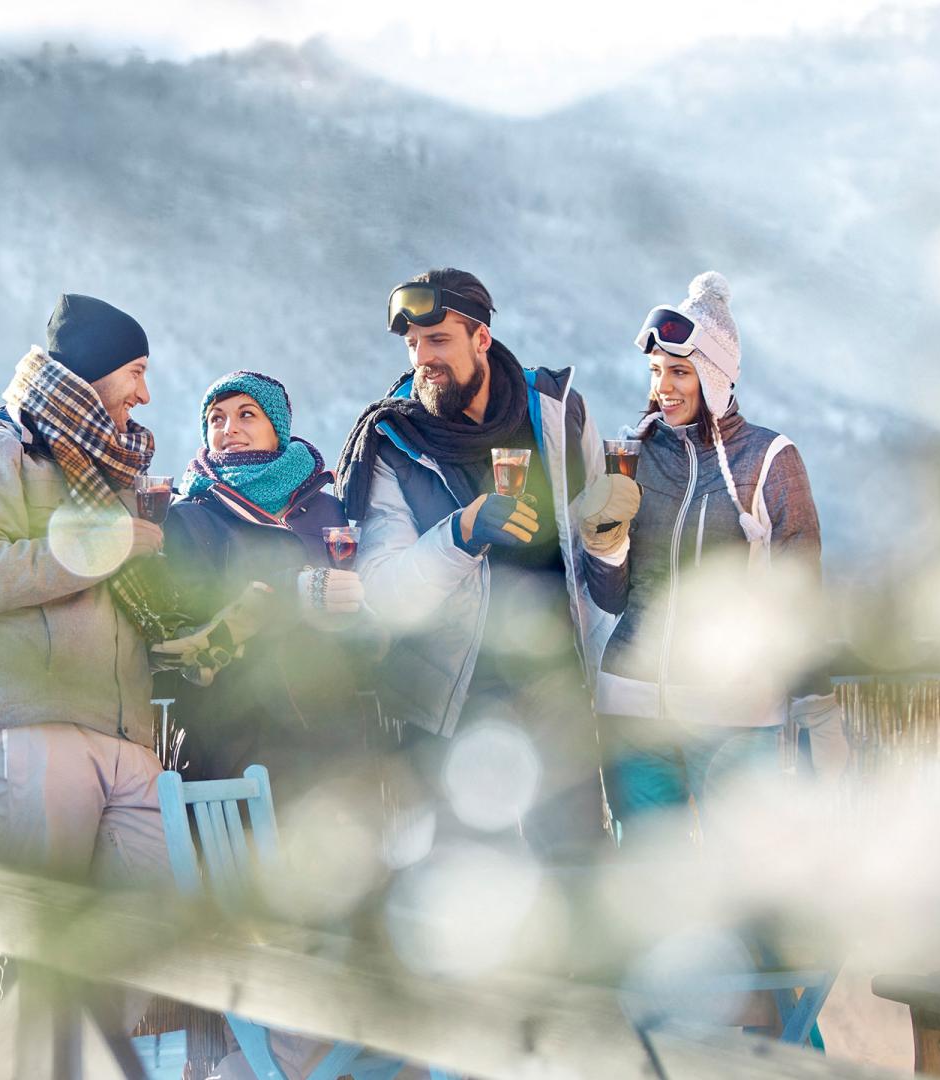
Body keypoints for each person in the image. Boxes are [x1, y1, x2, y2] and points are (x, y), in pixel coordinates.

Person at [334, 267, 611, 863]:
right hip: (452, 702)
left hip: (554, 691)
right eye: (412, 346)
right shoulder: (393, 440)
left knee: (577, 870)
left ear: (481, 337)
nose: (422, 360)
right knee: (467, 894)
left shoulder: (557, 415)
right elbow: (386, 593)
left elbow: (595, 550)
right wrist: (459, 535)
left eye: (438, 341)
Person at [573, 270, 843, 841]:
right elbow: (610, 597)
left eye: (679, 372)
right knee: (651, 883)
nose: (663, 388)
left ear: (713, 376)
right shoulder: (633, 456)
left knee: (744, 883)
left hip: (735, 717)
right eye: (656, 373)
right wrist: (605, 543)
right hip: (634, 709)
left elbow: (799, 595)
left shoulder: (769, 459)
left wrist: (816, 704)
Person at [0, 293, 173, 887]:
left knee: (153, 949)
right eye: (136, 373)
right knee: (51, 952)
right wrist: (100, 546)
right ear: (92, 374)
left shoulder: (111, 467)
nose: (145, 396)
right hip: (32, 724)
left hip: (127, 734)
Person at [158, 370, 374, 798]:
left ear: (278, 429)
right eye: (216, 419)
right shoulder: (189, 516)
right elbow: (189, 625)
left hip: (332, 729)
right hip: (233, 735)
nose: (229, 429)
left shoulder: (325, 508)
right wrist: (293, 592)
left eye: (246, 415)